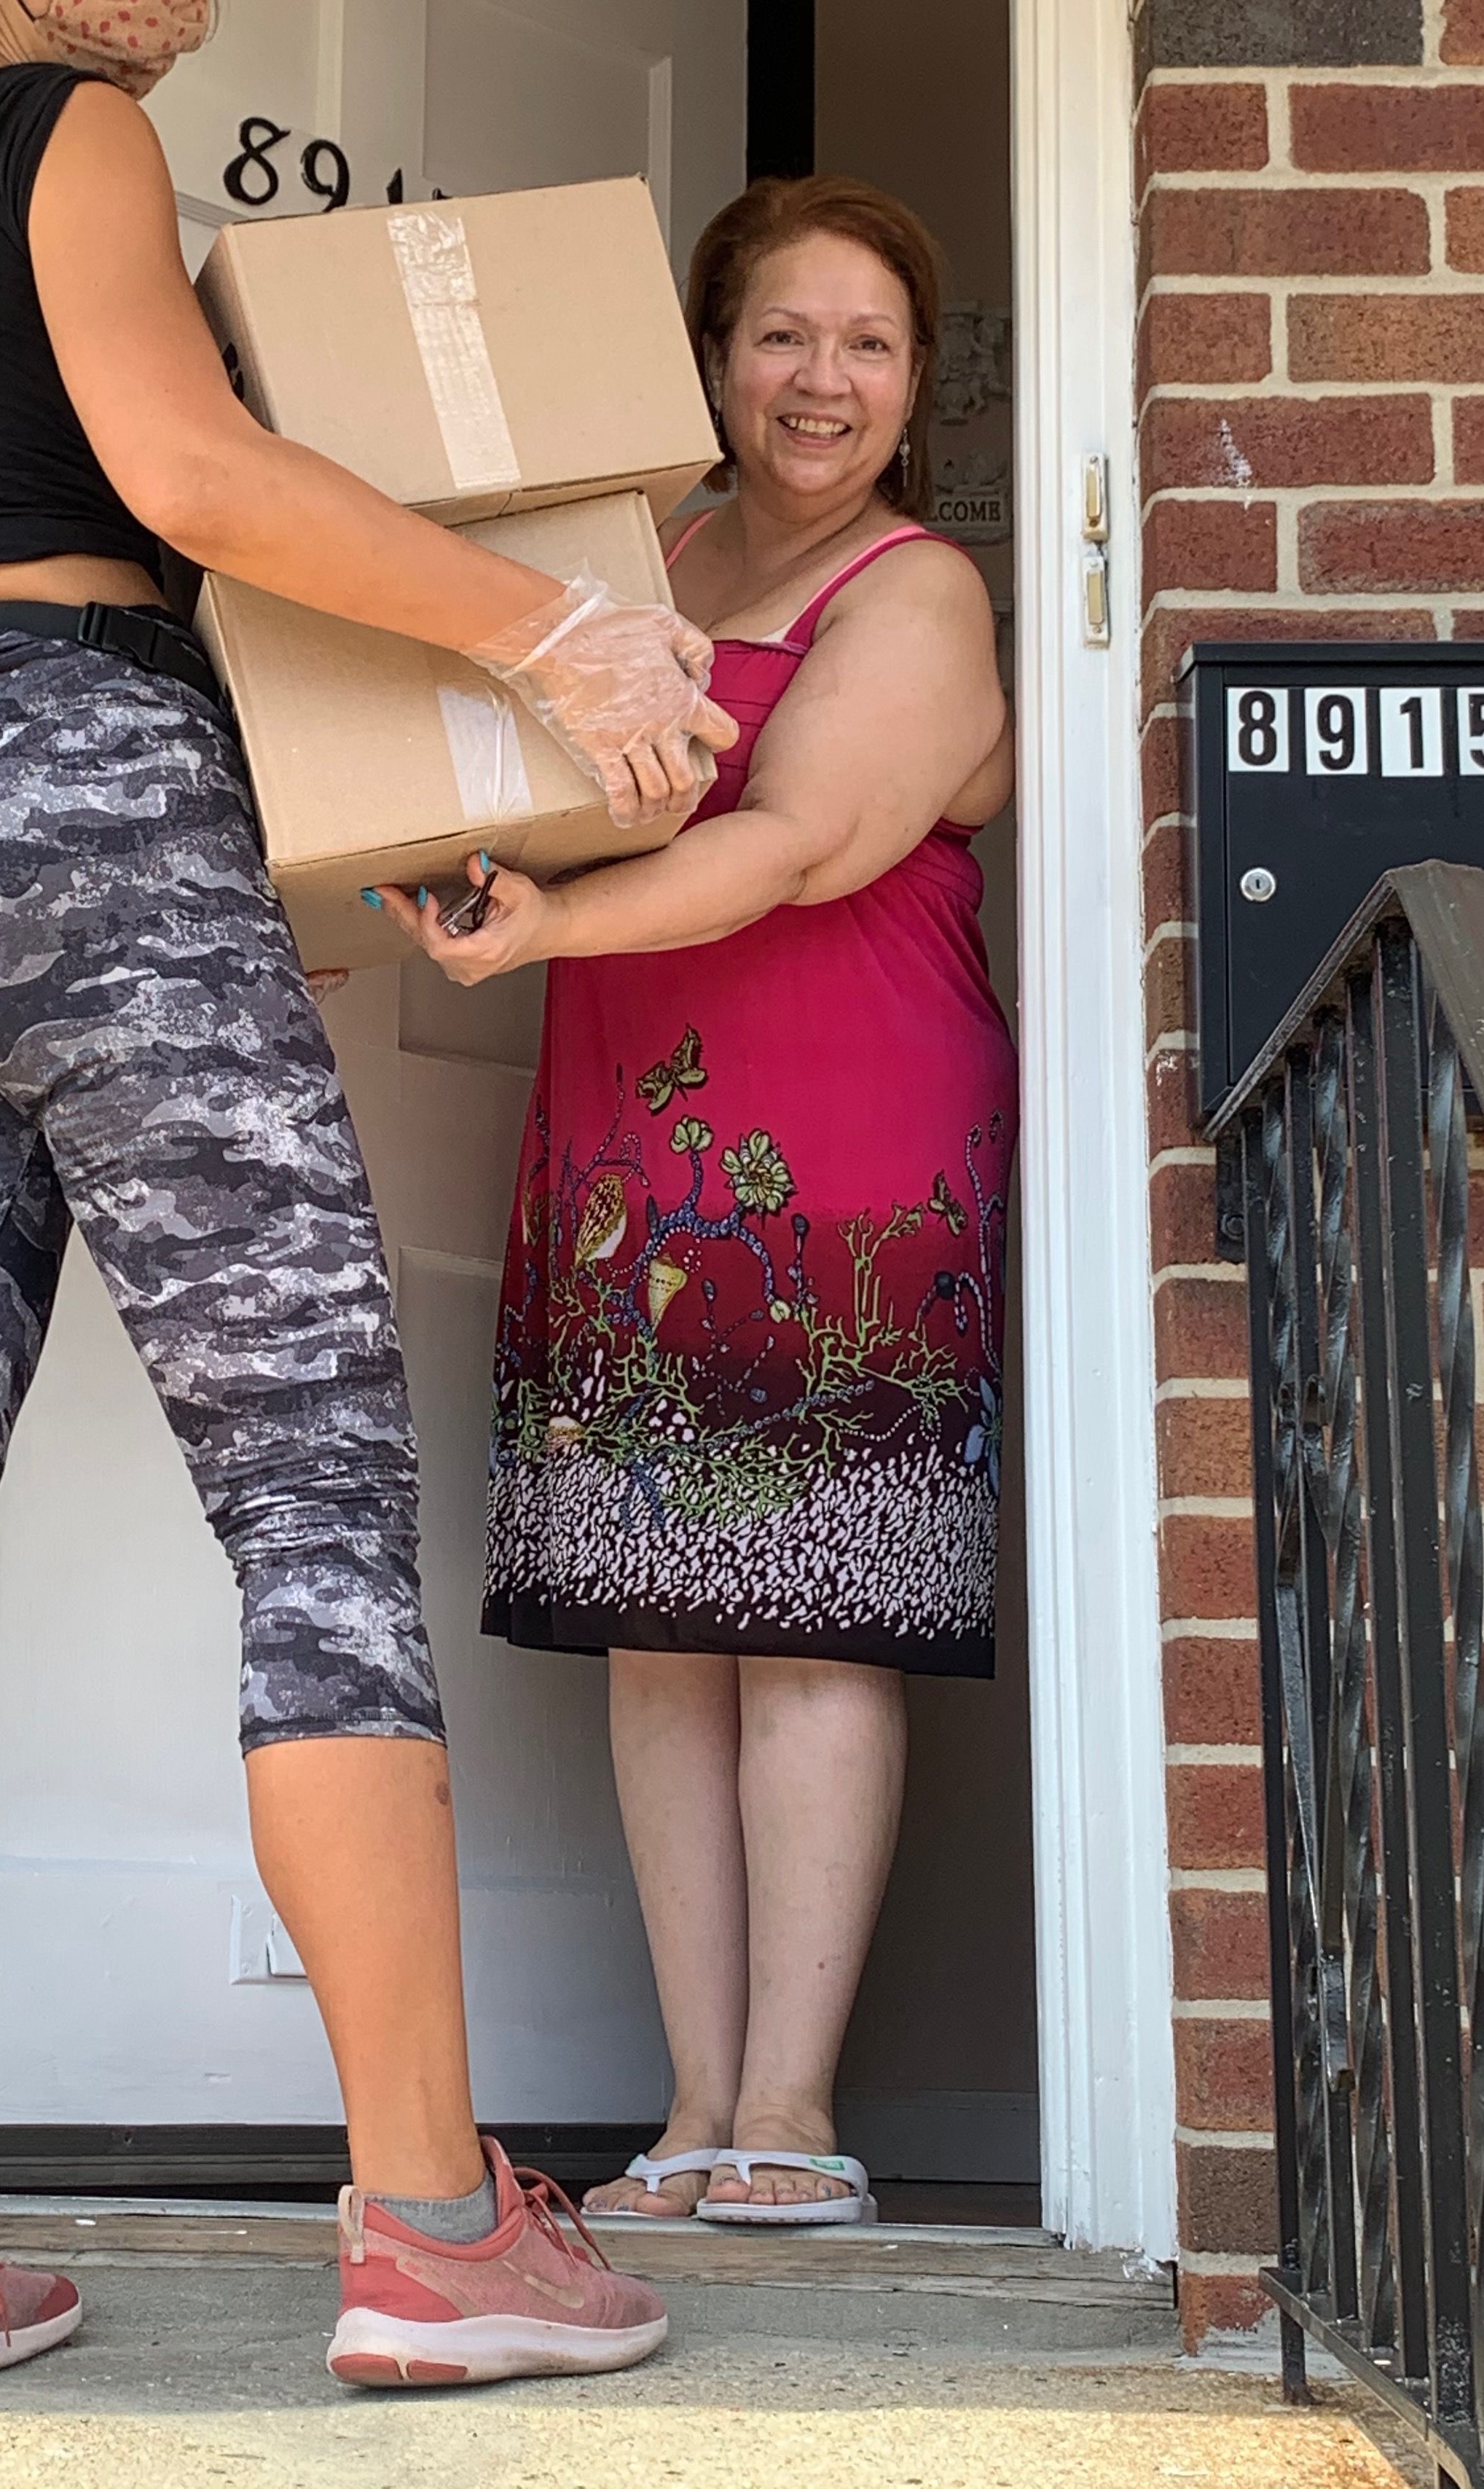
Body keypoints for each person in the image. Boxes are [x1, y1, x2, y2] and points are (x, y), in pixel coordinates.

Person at [0, 0, 735, 2415]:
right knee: (312, 1500)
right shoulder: (65, 138)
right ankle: (429, 2226)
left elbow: (47, 533)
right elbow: (190, 478)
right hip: (97, 821)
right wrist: (559, 638)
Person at [384, 175, 1016, 2231]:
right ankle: (689, 2110)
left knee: (812, 1617)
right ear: (714, 356)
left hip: (834, 1132)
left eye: (868, 345)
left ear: (916, 387)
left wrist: (547, 917)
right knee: (663, 1629)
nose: (821, 380)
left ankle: (796, 2110)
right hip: (629, 1129)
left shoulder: (916, 591)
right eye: (781, 335)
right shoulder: (637, 562)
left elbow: (797, 844)